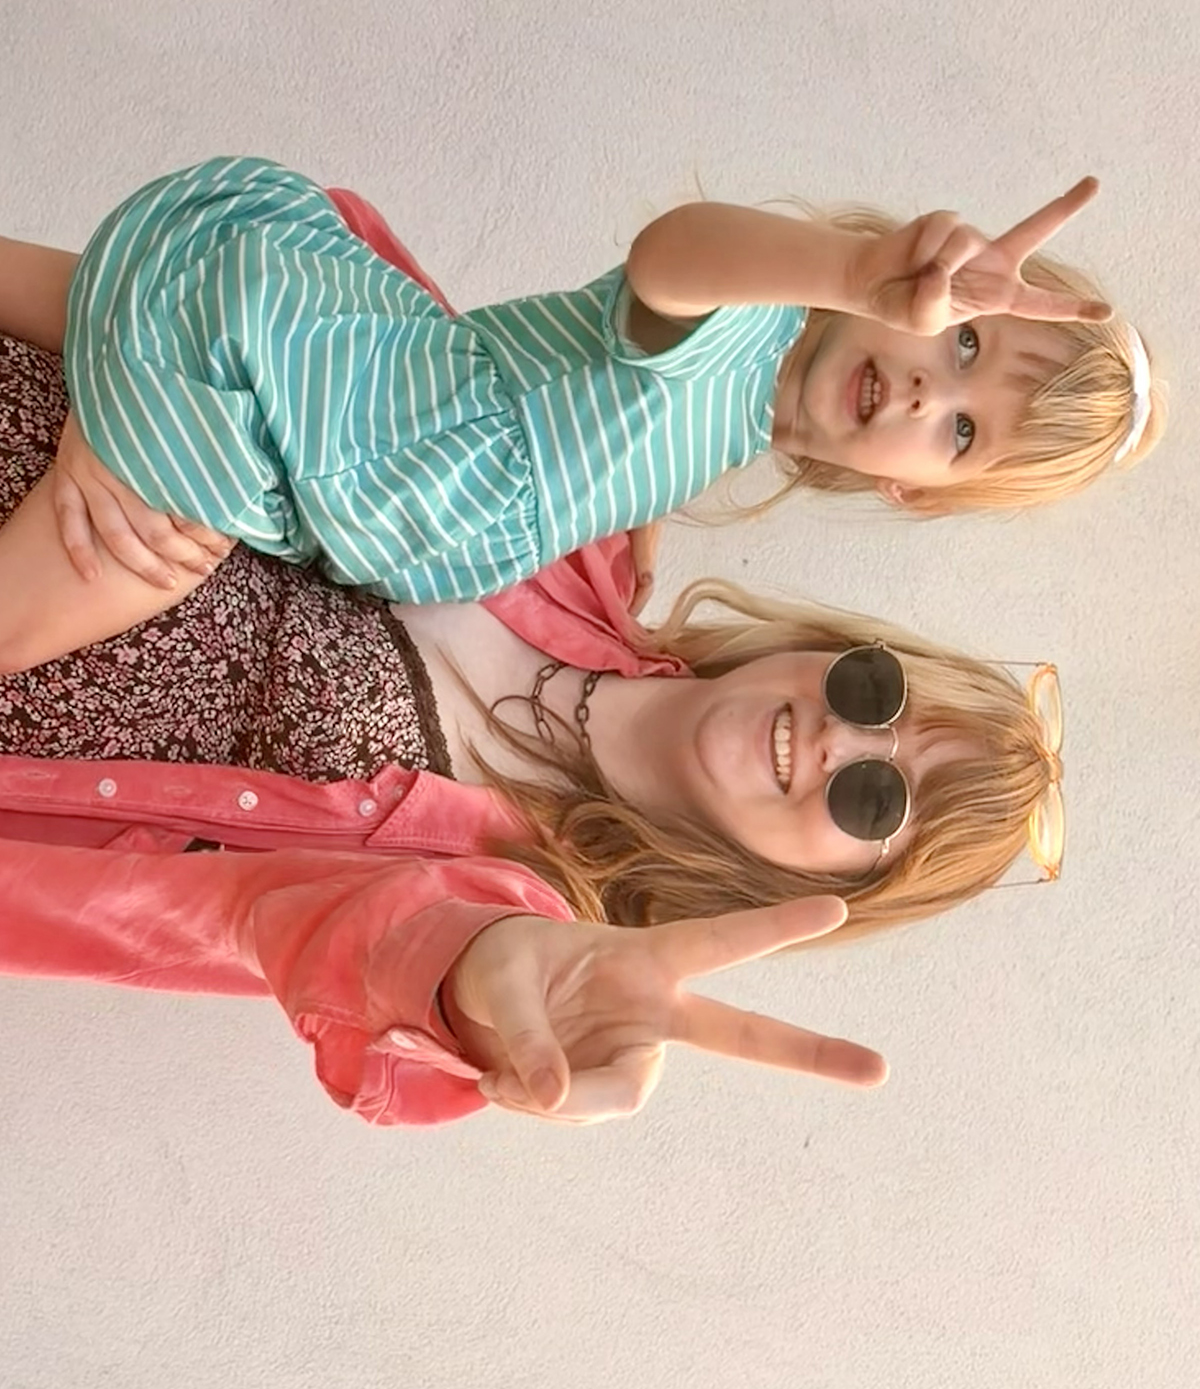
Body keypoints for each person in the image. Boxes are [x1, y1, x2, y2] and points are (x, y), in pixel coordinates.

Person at [0, 327, 1062, 1125]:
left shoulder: (524, 898)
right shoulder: (593, 507)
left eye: (874, 797)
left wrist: (472, 977)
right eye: (877, 695)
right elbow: (288, 308)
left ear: (826, 888)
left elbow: (374, 945)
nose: (841, 742)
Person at [0, 160, 1160, 675]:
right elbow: (673, 259)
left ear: (915, 490)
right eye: (964, 342)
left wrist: (626, 513)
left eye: (962, 431)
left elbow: (608, 420)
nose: (926, 390)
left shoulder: (725, 425)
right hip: (286, 403)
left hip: (311, 367)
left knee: (93, 292)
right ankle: (134, 387)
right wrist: (855, 273)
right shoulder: (741, 318)